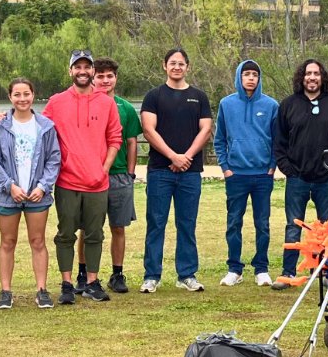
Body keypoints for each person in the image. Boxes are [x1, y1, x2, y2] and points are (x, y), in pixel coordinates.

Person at [44, 50, 122, 305]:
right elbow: (38, 130)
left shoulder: (106, 103)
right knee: (66, 234)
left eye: (86, 67)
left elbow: (115, 138)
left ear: (92, 71)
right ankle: (67, 284)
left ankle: (92, 282)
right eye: (77, 67)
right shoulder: (56, 102)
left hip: (97, 183)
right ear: (70, 71)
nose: (82, 71)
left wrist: (104, 169)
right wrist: (7, 118)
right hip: (67, 181)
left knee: (95, 234)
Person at [139, 48, 213, 293]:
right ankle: (151, 276)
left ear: (187, 67)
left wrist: (186, 157)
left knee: (187, 224)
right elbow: (149, 130)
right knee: (156, 223)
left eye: (181, 63)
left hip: (190, 173)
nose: (177, 67)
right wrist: (173, 156)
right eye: (172, 63)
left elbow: (206, 130)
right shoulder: (154, 96)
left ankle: (187, 274)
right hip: (160, 171)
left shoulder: (199, 97)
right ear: (165, 65)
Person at [270, 59, 328, 290]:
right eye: (308, 73)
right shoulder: (288, 104)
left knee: (327, 227)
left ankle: (326, 272)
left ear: (322, 77)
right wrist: (288, 169)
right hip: (298, 178)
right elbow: (279, 142)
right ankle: (288, 273)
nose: (312, 77)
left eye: (316, 73)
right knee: (293, 226)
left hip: (326, 178)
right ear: (301, 77)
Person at [0, 78, 62, 309]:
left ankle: (42, 290)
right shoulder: (0, 128)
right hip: (7, 195)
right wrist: (9, 186)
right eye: (17, 95)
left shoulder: (46, 126)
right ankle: (5, 291)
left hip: (37, 195)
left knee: (37, 241)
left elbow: (54, 159)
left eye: (26, 94)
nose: (22, 99)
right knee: (7, 241)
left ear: (33, 95)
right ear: (10, 97)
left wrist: (42, 186)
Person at [213, 59, 279, 287]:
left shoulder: (271, 105)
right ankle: (234, 269)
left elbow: (278, 140)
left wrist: (272, 166)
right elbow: (219, 139)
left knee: (262, 223)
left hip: (262, 175)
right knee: (233, 222)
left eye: (255, 75)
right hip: (236, 175)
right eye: (247, 74)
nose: (251, 78)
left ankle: (261, 269)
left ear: (259, 79)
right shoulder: (226, 104)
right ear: (239, 77)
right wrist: (226, 168)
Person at [96, 58, 141, 294]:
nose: (105, 80)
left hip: (119, 175)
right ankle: (85, 274)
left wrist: (130, 173)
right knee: (90, 229)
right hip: (91, 176)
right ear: (93, 78)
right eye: (100, 76)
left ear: (115, 78)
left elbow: (132, 142)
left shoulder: (126, 108)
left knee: (118, 228)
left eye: (109, 76)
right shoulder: (87, 104)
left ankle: (117, 273)